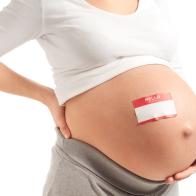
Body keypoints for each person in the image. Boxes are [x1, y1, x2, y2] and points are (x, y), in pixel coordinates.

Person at [0, 0, 196, 195]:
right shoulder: (44, 3)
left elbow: (173, 70)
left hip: (165, 184)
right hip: (91, 176)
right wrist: (46, 96)